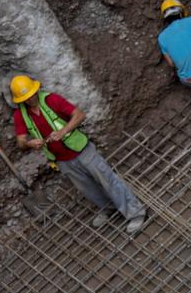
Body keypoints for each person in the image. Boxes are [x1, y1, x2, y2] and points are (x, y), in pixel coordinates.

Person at [8, 74, 147, 235]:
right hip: (62, 160)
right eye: (27, 97)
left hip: (81, 150)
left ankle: (136, 213)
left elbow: (79, 115)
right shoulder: (20, 115)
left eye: (32, 94)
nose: (31, 99)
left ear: (36, 89)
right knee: (88, 189)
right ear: (21, 100)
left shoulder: (51, 100)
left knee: (108, 180)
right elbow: (20, 141)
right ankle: (109, 208)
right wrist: (29, 143)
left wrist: (63, 131)